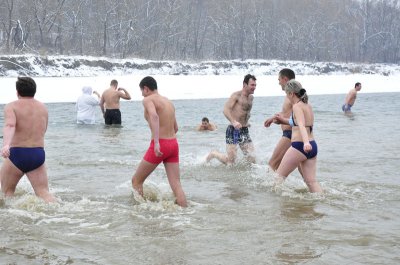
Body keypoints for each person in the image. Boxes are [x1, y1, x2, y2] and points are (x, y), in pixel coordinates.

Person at [131, 76, 187, 207]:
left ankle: (139, 213)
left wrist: (157, 143)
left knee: (136, 181)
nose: (141, 94)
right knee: (176, 185)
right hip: (173, 144)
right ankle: (186, 214)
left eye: (141, 91)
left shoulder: (147, 100)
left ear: (146, 88)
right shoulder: (168, 102)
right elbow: (176, 128)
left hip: (160, 144)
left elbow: (154, 116)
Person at [0, 77, 56, 202]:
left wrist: (6, 145)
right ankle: (59, 211)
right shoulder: (43, 108)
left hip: (17, 154)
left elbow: (10, 125)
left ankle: (9, 219)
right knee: (43, 193)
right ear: (34, 91)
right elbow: (43, 129)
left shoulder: (11, 106)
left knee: (6, 193)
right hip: (37, 154)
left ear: (17, 92)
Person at [274, 80, 322, 193]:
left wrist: (305, 143)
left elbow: (301, 125)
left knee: (278, 179)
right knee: (312, 183)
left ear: (291, 93)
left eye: (287, 94)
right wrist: (281, 120)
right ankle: (321, 202)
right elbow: (301, 123)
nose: (287, 97)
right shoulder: (308, 105)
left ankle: (275, 207)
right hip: (313, 146)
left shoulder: (296, 106)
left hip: (300, 146)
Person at [206, 74, 257, 165]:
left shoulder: (251, 98)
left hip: (244, 130)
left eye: (255, 85)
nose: (254, 87)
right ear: (244, 84)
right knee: (231, 161)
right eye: (252, 85)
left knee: (252, 159)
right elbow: (226, 110)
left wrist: (246, 122)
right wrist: (233, 122)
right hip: (233, 130)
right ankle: (214, 154)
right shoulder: (236, 95)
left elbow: (245, 111)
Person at [264, 68, 296, 171]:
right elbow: (287, 112)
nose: (279, 83)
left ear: (285, 79)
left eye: (279, 80)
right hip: (293, 135)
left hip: (290, 135)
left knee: (272, 164)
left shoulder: (294, 94)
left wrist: (282, 120)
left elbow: (300, 115)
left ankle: (267, 187)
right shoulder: (290, 94)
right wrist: (274, 118)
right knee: (305, 174)